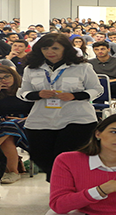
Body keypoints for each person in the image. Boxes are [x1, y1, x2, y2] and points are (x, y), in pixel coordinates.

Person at [17, 33, 103, 182]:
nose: (50, 52)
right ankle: (58, 182)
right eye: (45, 48)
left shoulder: (82, 67)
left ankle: (64, 187)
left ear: (65, 49)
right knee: (40, 156)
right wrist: (38, 94)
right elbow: (23, 92)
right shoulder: (32, 68)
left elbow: (97, 89)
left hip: (76, 118)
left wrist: (75, 96)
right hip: (41, 119)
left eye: (55, 48)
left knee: (67, 157)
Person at [0, 66, 32, 184]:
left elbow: (39, 110)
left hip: (27, 120)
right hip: (2, 122)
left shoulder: (26, 89)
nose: (3, 80)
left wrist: (24, 118)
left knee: (8, 128)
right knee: (7, 136)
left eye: (7, 76)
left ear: (13, 75)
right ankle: (13, 171)